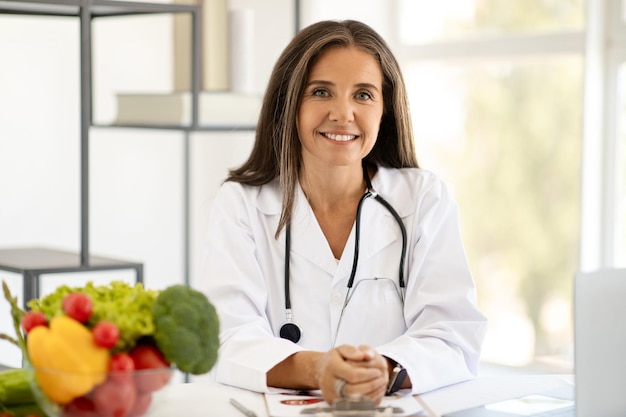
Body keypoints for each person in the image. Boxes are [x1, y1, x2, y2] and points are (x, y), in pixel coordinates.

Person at [199, 19, 487, 405]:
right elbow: (228, 338)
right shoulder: (241, 205)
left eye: (364, 95)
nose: (343, 113)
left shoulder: (423, 199)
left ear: (385, 109)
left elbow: (453, 334)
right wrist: (321, 369)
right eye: (321, 92)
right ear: (289, 104)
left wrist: (381, 370)